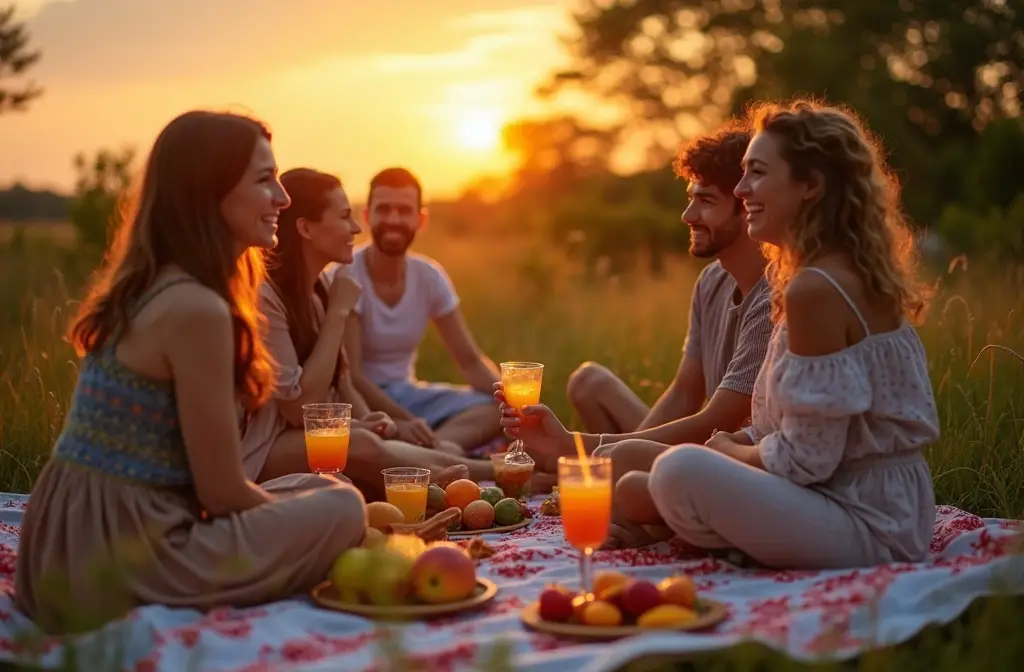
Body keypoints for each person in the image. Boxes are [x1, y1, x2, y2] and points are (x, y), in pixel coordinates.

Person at [14, 111, 368, 635]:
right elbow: (223, 493)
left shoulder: (166, 285)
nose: (283, 198)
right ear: (210, 193)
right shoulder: (196, 309)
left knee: (312, 487)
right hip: (119, 554)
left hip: (76, 535)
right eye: (263, 179)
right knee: (343, 509)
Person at [624, 99, 940, 568]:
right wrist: (742, 443)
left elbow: (807, 458)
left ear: (810, 185)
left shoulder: (816, 289)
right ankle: (705, 527)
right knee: (637, 478)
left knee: (677, 470)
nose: (740, 187)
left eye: (756, 172)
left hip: (868, 519)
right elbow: (807, 425)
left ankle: (704, 529)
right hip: (866, 501)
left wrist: (733, 450)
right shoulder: (824, 275)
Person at [496, 120, 773, 481]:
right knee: (588, 382)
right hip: (695, 445)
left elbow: (718, 420)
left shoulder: (773, 296)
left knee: (617, 465)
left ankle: (587, 470)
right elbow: (685, 393)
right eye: (690, 198)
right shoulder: (711, 281)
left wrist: (590, 446)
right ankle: (594, 469)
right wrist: (616, 448)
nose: (688, 216)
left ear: (747, 205)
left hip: (733, 459)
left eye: (705, 201)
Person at [243, 167, 496, 496]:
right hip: (263, 448)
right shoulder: (272, 297)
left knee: (369, 439)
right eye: (345, 216)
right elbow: (299, 404)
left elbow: (342, 379)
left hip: (324, 427)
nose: (355, 228)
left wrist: (368, 419)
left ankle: (492, 470)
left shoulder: (318, 287)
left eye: (403, 210)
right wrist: (338, 312)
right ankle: (450, 479)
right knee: (361, 443)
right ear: (305, 228)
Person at [342, 167, 503, 454]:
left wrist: (513, 406)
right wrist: (405, 420)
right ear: (367, 216)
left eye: (404, 211)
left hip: (408, 395)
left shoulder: (429, 275)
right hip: (360, 402)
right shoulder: (347, 274)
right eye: (384, 210)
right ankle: (427, 452)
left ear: (420, 220)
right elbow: (351, 375)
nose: (393, 220)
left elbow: (469, 361)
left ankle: (436, 450)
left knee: (495, 410)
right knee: (370, 433)